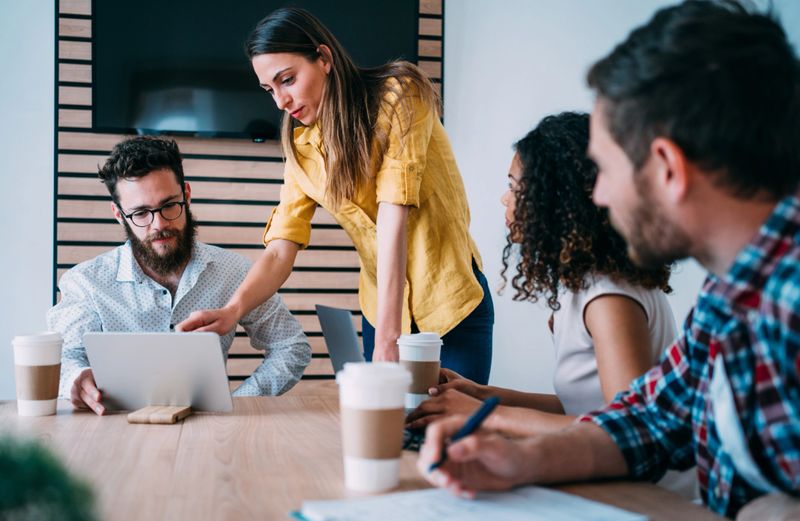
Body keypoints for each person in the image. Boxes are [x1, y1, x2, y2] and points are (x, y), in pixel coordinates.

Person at [417, 1, 800, 518]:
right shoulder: (728, 291)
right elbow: (649, 422)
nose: (598, 198)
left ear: (666, 167)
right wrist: (521, 461)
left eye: (607, 169)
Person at [177, 7, 494, 384]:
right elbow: (280, 250)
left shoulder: (401, 96)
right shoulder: (301, 148)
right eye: (269, 89)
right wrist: (233, 309)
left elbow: (395, 215)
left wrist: (390, 339)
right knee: (390, 438)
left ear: (324, 58)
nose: (280, 101)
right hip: (381, 313)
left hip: (450, 305)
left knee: (451, 436)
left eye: (288, 79)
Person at [407, 113, 694, 497]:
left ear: (557, 200)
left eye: (514, 186)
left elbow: (626, 429)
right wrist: (482, 394)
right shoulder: (583, 284)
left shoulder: (608, 297)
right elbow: (579, 407)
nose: (504, 198)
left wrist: (486, 416)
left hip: (651, 496)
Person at [48, 136, 311, 415]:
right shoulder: (85, 282)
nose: (159, 224)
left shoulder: (235, 273)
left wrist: (240, 400)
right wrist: (77, 379)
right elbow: (64, 357)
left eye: (169, 205)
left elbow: (291, 346)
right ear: (118, 214)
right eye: (140, 213)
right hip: (115, 433)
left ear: (186, 194)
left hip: (210, 435)